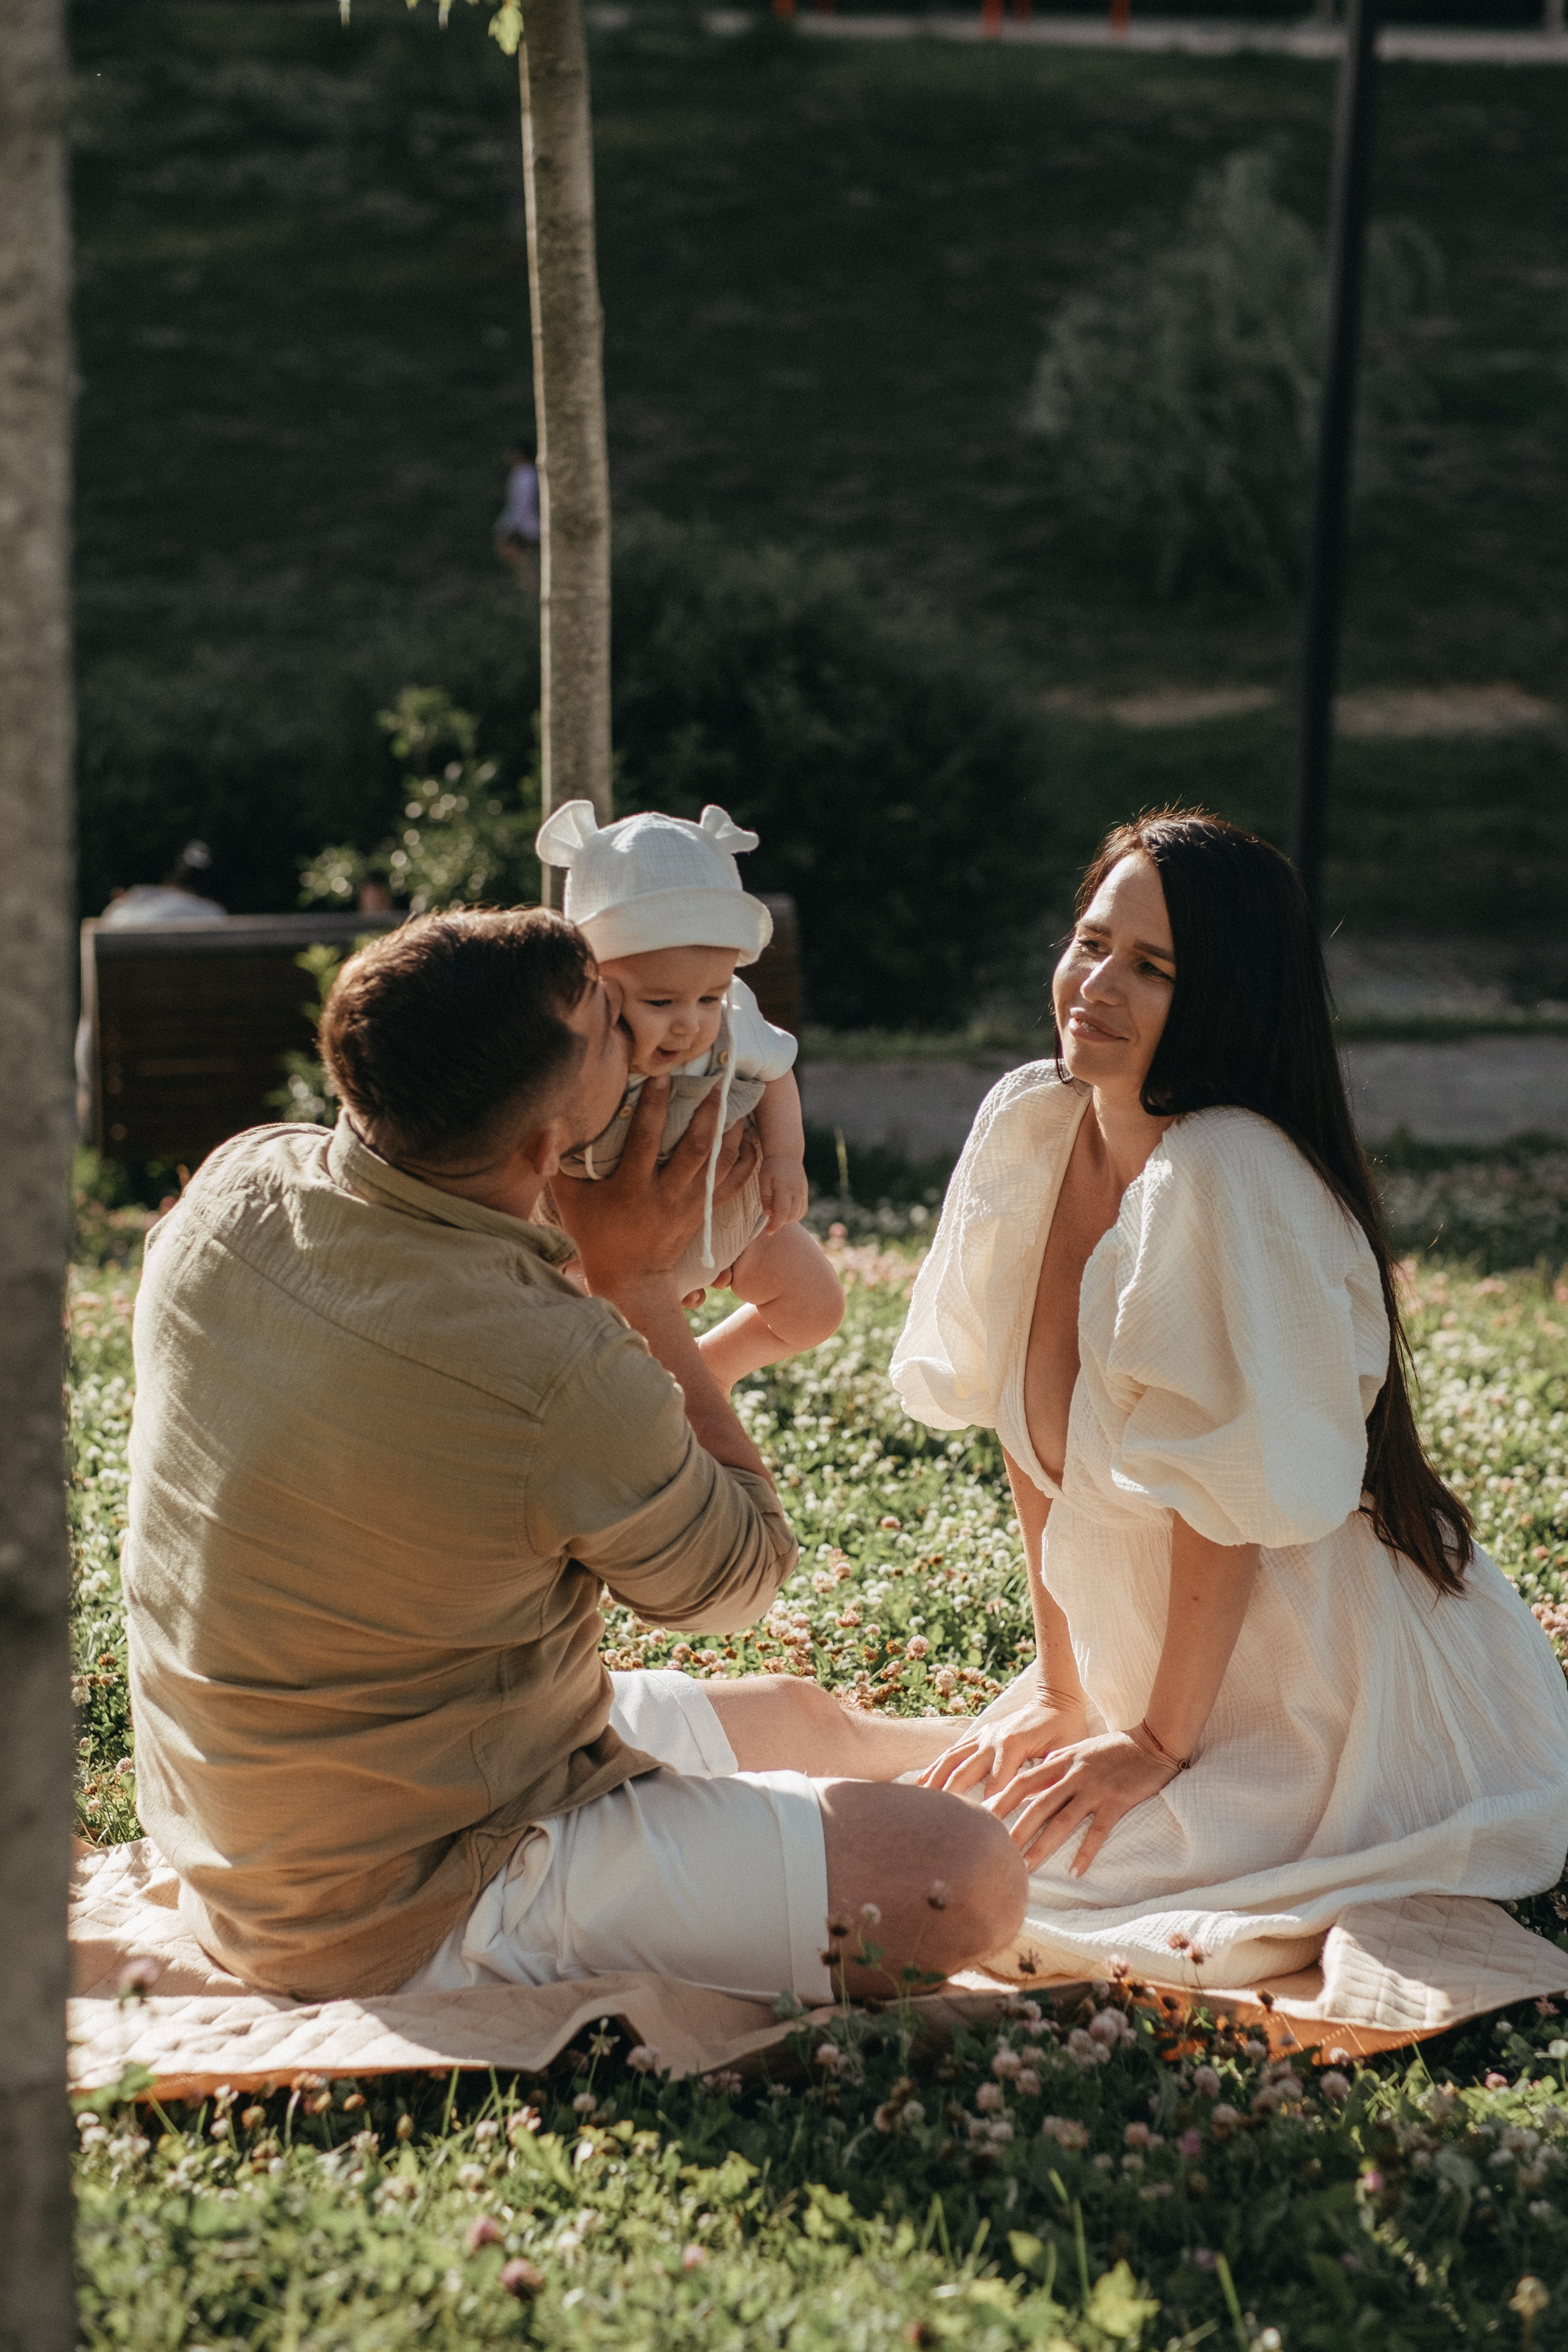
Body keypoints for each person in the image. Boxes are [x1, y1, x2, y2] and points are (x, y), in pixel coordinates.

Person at [123, 907, 1024, 2008]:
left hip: (272, 1811)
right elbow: (740, 1576)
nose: (643, 1029)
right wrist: (640, 1289)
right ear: (549, 1147)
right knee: (963, 1880)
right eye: (610, 1021)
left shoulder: (237, 1183)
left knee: (803, 1719)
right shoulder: (556, 1364)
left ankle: (1050, 1762)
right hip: (401, 1896)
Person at [889, 809, 1568, 1988]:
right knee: (928, 1840)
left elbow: (1228, 1499)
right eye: (1092, 941)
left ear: (1226, 999)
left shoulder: (1227, 1176)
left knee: (979, 1893)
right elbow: (1024, 1430)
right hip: (1162, 1670)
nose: (1096, 983)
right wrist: (1063, 1689)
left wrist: (1156, 1744)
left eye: (1152, 968)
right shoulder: (1034, 1126)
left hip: (1332, 1708)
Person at [537, 799, 844, 1390]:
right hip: (597, 1245)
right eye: (660, 1002)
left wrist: (783, 1160)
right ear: (591, 978)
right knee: (573, 1346)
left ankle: (716, 1364)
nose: (690, 1023)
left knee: (815, 1304)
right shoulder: (569, 1038)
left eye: (709, 996)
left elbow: (777, 1072)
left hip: (724, 1221)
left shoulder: (734, 1014)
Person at [493, 438, 540, 586]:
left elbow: (520, 505)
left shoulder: (524, 476)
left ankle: (528, 585)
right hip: (529, 527)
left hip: (527, 529)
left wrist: (507, 526)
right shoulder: (529, 473)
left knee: (523, 561)